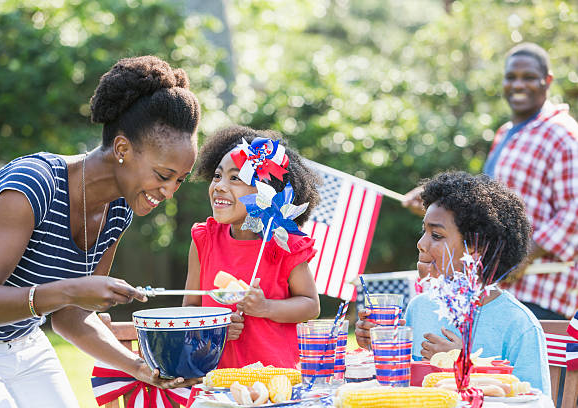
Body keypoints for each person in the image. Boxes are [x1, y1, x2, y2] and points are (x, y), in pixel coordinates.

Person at [0, 55, 201, 407]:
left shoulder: (118, 210)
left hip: (25, 344)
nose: (168, 192)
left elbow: (72, 317)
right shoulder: (32, 185)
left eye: (179, 180)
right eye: (163, 175)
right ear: (122, 148)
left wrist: (142, 369)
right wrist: (70, 290)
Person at [403, 43, 578, 320]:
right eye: (511, 77)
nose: (518, 84)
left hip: (540, 291)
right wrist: (439, 207)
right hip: (494, 287)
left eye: (529, 77)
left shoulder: (563, 133)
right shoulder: (506, 133)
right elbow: (487, 207)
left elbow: (575, 211)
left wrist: (523, 253)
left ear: (548, 81)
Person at [358, 172, 551, 396]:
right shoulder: (419, 307)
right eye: (424, 232)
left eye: (436, 235)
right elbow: (402, 387)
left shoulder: (519, 324)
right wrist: (382, 346)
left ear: (476, 247)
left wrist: (464, 365)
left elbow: (536, 400)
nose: (421, 243)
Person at [182, 125, 321, 369]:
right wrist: (215, 326)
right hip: (216, 376)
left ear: (266, 192)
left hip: (276, 376)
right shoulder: (204, 239)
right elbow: (191, 308)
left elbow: (311, 305)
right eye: (217, 175)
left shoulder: (284, 244)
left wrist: (266, 307)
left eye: (235, 178)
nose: (220, 186)